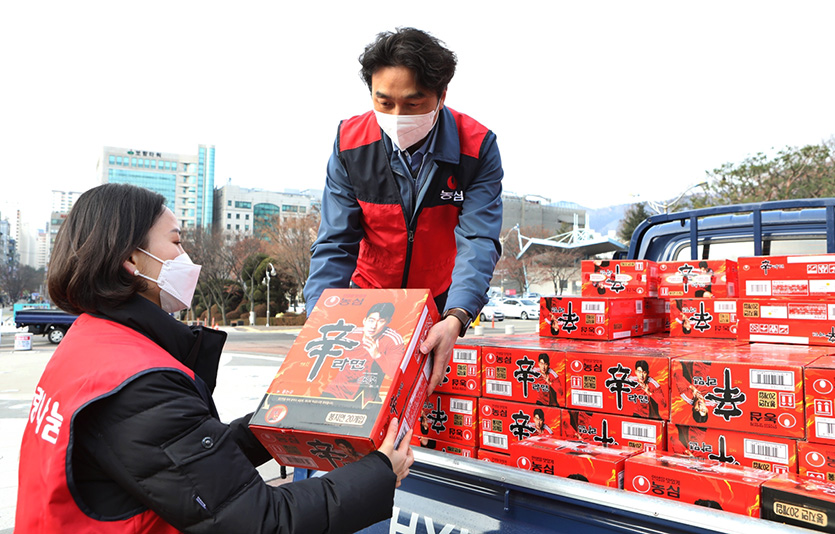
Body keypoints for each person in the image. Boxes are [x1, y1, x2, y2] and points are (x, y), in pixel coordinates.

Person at [16, 183, 413, 534]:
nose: (186, 256)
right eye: (176, 242)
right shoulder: (139, 382)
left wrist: (283, 420)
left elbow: (187, 462)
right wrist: (379, 472)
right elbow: (260, 520)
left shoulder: (91, 343)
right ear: (132, 260)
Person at [303, 27, 503, 394]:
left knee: (429, 402)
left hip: (437, 304)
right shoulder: (350, 144)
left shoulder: (476, 148)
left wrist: (457, 315)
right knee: (355, 400)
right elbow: (335, 242)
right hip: (368, 301)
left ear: (441, 96)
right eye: (384, 102)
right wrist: (319, 317)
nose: (397, 116)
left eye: (413, 104)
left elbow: (478, 239)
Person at [322, 301, 405, 400]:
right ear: (364, 320)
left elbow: (396, 373)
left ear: (388, 322)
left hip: (365, 397)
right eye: (371, 320)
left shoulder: (393, 339)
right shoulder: (350, 335)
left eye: (381, 321)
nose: (373, 326)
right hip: (335, 391)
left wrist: (377, 356)